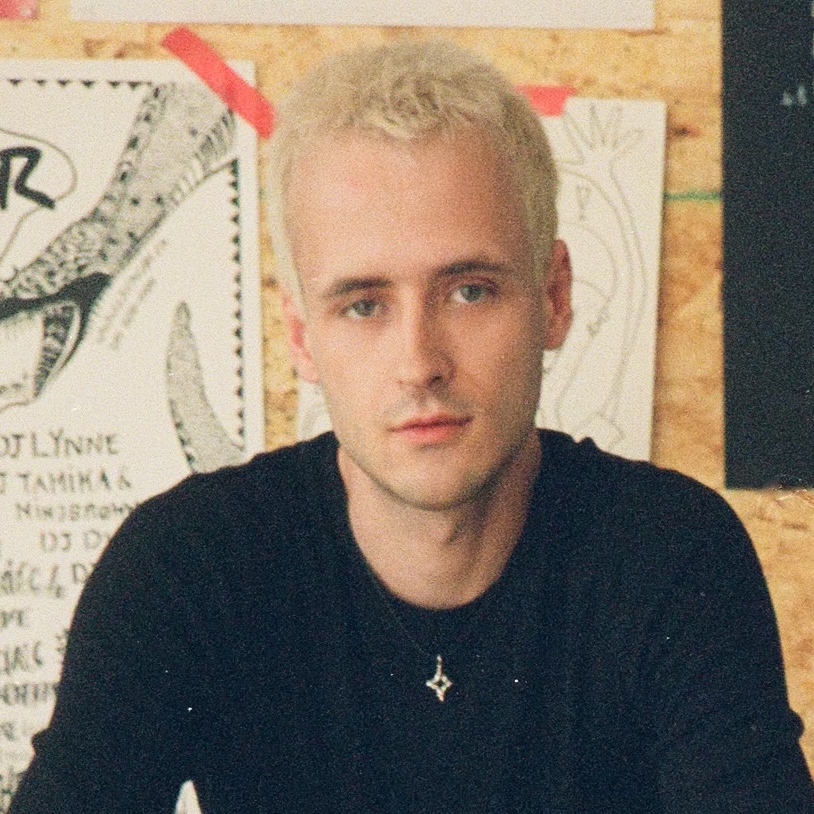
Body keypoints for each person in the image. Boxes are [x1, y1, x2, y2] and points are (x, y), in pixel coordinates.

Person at [9, 38, 814, 814]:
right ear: (301, 336)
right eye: (364, 305)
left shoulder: (670, 556)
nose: (420, 362)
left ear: (555, 297)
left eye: (469, 291)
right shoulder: (189, 567)